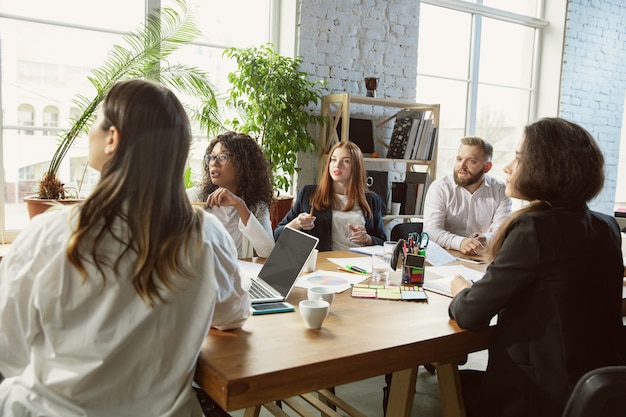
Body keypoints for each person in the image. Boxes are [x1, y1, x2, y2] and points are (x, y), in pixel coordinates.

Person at [0, 79, 250, 417]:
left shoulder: (51, 233)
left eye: (95, 120)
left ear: (112, 139)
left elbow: (8, 352)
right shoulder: (207, 234)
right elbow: (233, 316)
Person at [448, 117, 626, 417]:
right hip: (597, 391)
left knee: (447, 390)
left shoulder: (534, 228)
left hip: (538, 394)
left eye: (518, 158)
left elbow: (470, 313)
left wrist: (461, 290)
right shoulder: (606, 225)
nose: (506, 168)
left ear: (546, 167)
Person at [274, 141, 386, 251]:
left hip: (359, 264)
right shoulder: (309, 194)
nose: (337, 165)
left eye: (346, 161)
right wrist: (297, 223)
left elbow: (383, 242)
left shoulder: (372, 200)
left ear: (356, 167)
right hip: (323, 264)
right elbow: (277, 236)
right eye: (333, 159)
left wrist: (367, 239)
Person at [187, 131, 275, 258]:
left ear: (243, 164)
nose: (213, 163)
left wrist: (240, 205)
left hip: (237, 275)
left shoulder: (256, 206)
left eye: (222, 157)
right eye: (211, 157)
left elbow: (268, 253)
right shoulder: (194, 198)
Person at [423, 136, 512, 255]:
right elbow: (431, 231)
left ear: (487, 167)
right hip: (444, 257)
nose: (462, 166)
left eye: (472, 161)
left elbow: (502, 232)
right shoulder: (440, 187)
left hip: (482, 258)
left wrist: (487, 238)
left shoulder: (501, 191)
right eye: (459, 159)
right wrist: (461, 242)